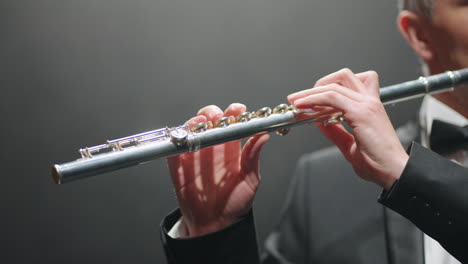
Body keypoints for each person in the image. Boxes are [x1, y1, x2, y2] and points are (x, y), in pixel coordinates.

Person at [159, 0, 468, 263]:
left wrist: (405, 172)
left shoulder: (392, 169)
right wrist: (212, 235)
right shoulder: (322, 184)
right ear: (419, 34)